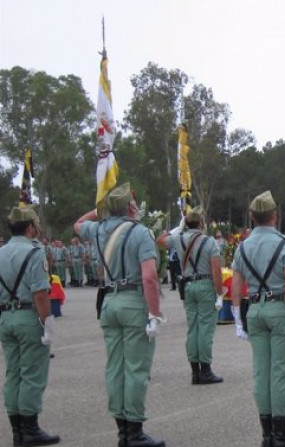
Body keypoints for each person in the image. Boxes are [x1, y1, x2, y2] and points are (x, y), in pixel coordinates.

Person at [74, 182, 166, 447]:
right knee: (136, 369)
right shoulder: (140, 232)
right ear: (130, 207)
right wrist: (155, 314)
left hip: (109, 302)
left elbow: (78, 223)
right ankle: (134, 433)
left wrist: (100, 208)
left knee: (115, 368)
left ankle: (122, 431)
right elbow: (149, 278)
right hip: (133, 302)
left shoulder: (99, 228)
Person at [230, 190, 285, 447]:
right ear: (275, 216)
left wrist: (236, 317)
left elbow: (236, 286)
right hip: (278, 309)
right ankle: (282, 434)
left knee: (260, 372)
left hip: (254, 311)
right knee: (280, 373)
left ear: (252, 217)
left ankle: (267, 435)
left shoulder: (242, 246)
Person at [1, 206, 60, 446]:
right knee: (32, 373)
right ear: (29, 228)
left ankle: (17, 429)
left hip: (5, 317)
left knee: (13, 372)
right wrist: (47, 322)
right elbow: (40, 293)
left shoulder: (1, 252)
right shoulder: (35, 252)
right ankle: (30, 428)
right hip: (28, 316)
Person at [157, 206, 225, 385]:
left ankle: (195, 371)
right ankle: (206, 369)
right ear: (201, 223)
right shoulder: (209, 242)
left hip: (188, 285)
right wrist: (219, 292)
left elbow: (160, 240)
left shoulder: (179, 239)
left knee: (193, 328)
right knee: (205, 328)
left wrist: (178, 229)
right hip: (205, 284)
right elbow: (216, 270)